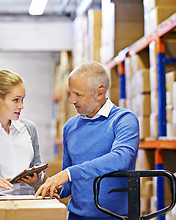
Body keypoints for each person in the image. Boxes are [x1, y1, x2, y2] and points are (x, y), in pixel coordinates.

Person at [35, 61, 139, 219]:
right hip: (76, 217)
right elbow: (69, 184)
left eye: (78, 94)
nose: (72, 100)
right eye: (71, 93)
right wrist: (49, 184)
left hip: (114, 217)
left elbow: (121, 158)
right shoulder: (70, 127)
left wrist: (69, 173)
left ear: (100, 93)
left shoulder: (124, 120)